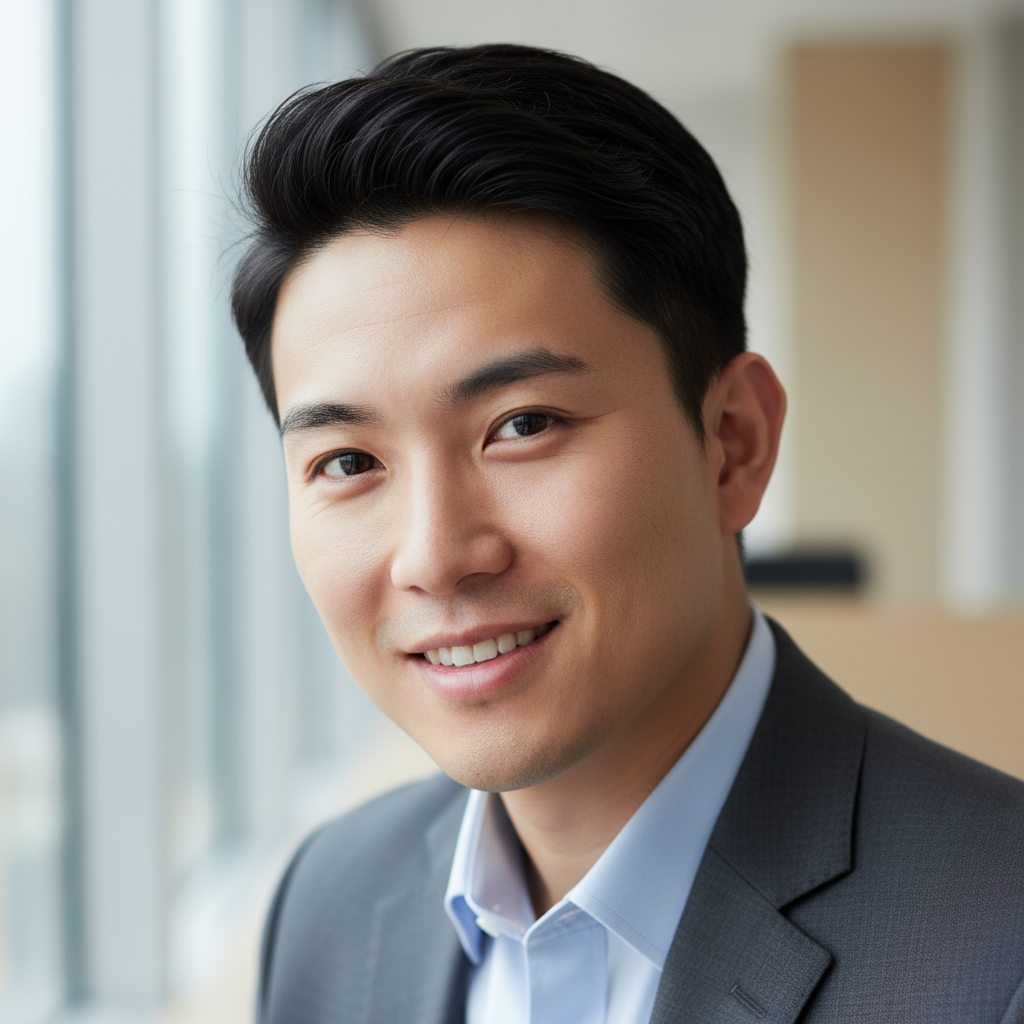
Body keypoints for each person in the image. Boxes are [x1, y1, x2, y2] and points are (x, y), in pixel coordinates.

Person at [230, 44, 1024, 1024]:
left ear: (733, 442)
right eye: (348, 462)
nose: (434, 554)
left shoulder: (998, 946)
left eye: (522, 425)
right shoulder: (332, 898)